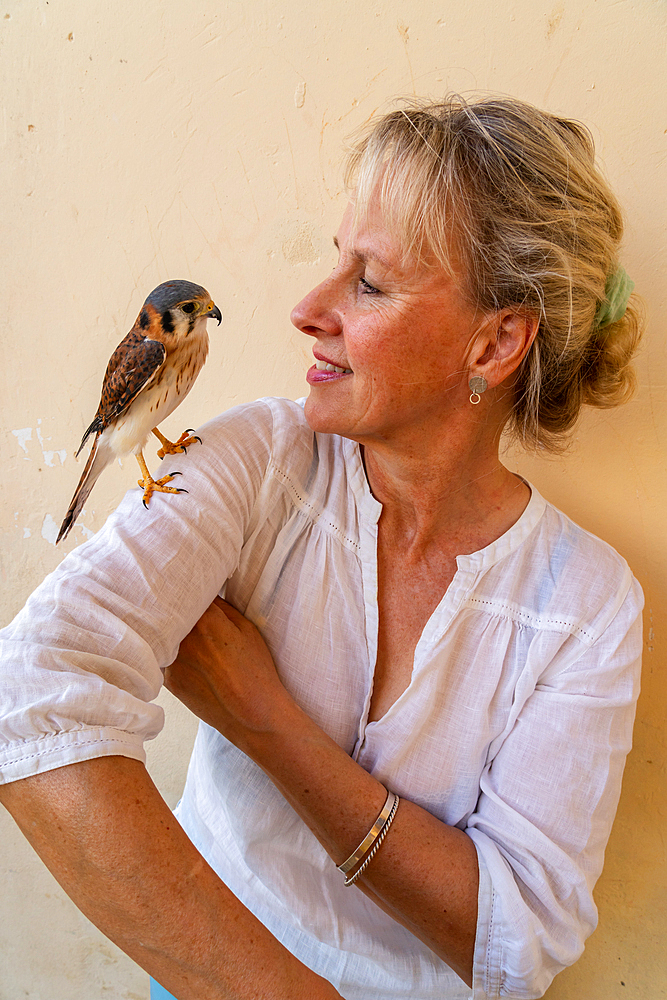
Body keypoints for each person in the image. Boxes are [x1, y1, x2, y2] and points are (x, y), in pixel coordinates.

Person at [0, 96, 644, 1000]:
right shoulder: (260, 462)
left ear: (495, 341)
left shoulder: (584, 605)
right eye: (334, 261)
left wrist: (268, 723)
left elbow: (517, 939)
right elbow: (30, 691)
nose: (306, 309)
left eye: (370, 282)